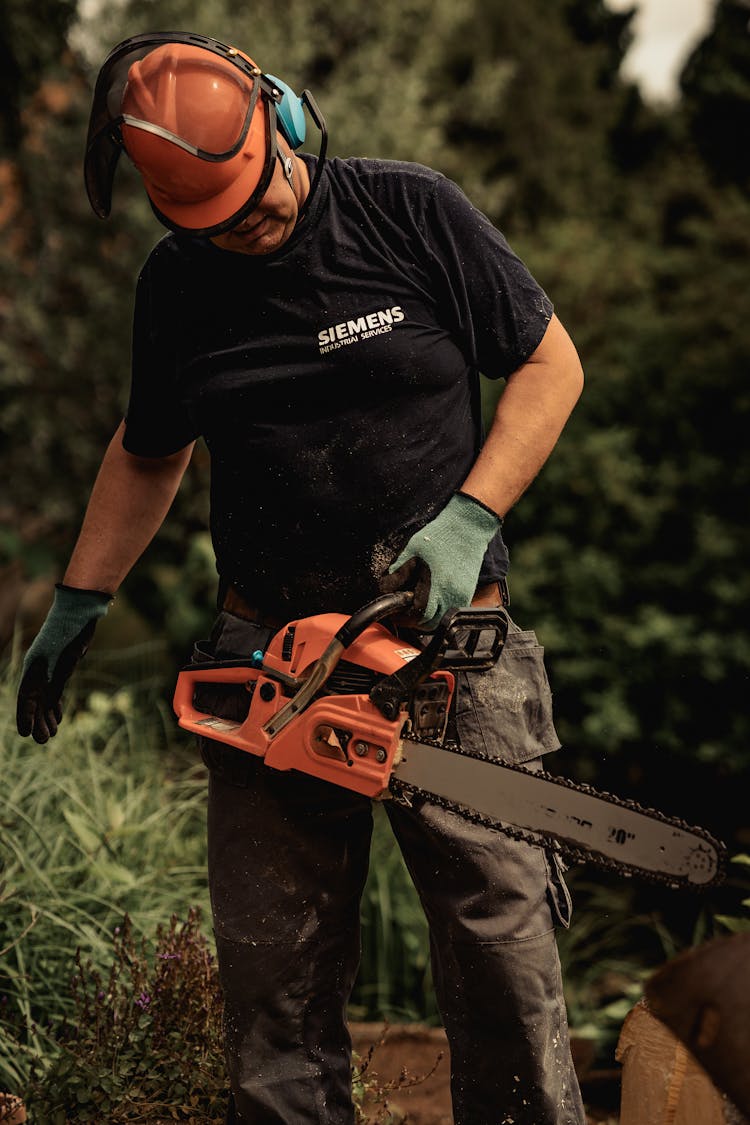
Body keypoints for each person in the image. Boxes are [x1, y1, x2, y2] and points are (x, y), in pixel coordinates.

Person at [16, 32, 587, 1125]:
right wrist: (81, 600)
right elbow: (149, 449)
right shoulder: (179, 285)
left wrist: (471, 517)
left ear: (282, 120)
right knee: (273, 979)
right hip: (273, 661)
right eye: (217, 220)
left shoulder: (409, 211)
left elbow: (549, 363)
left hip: (448, 655)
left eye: (258, 200)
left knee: (500, 952)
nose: (251, 226)